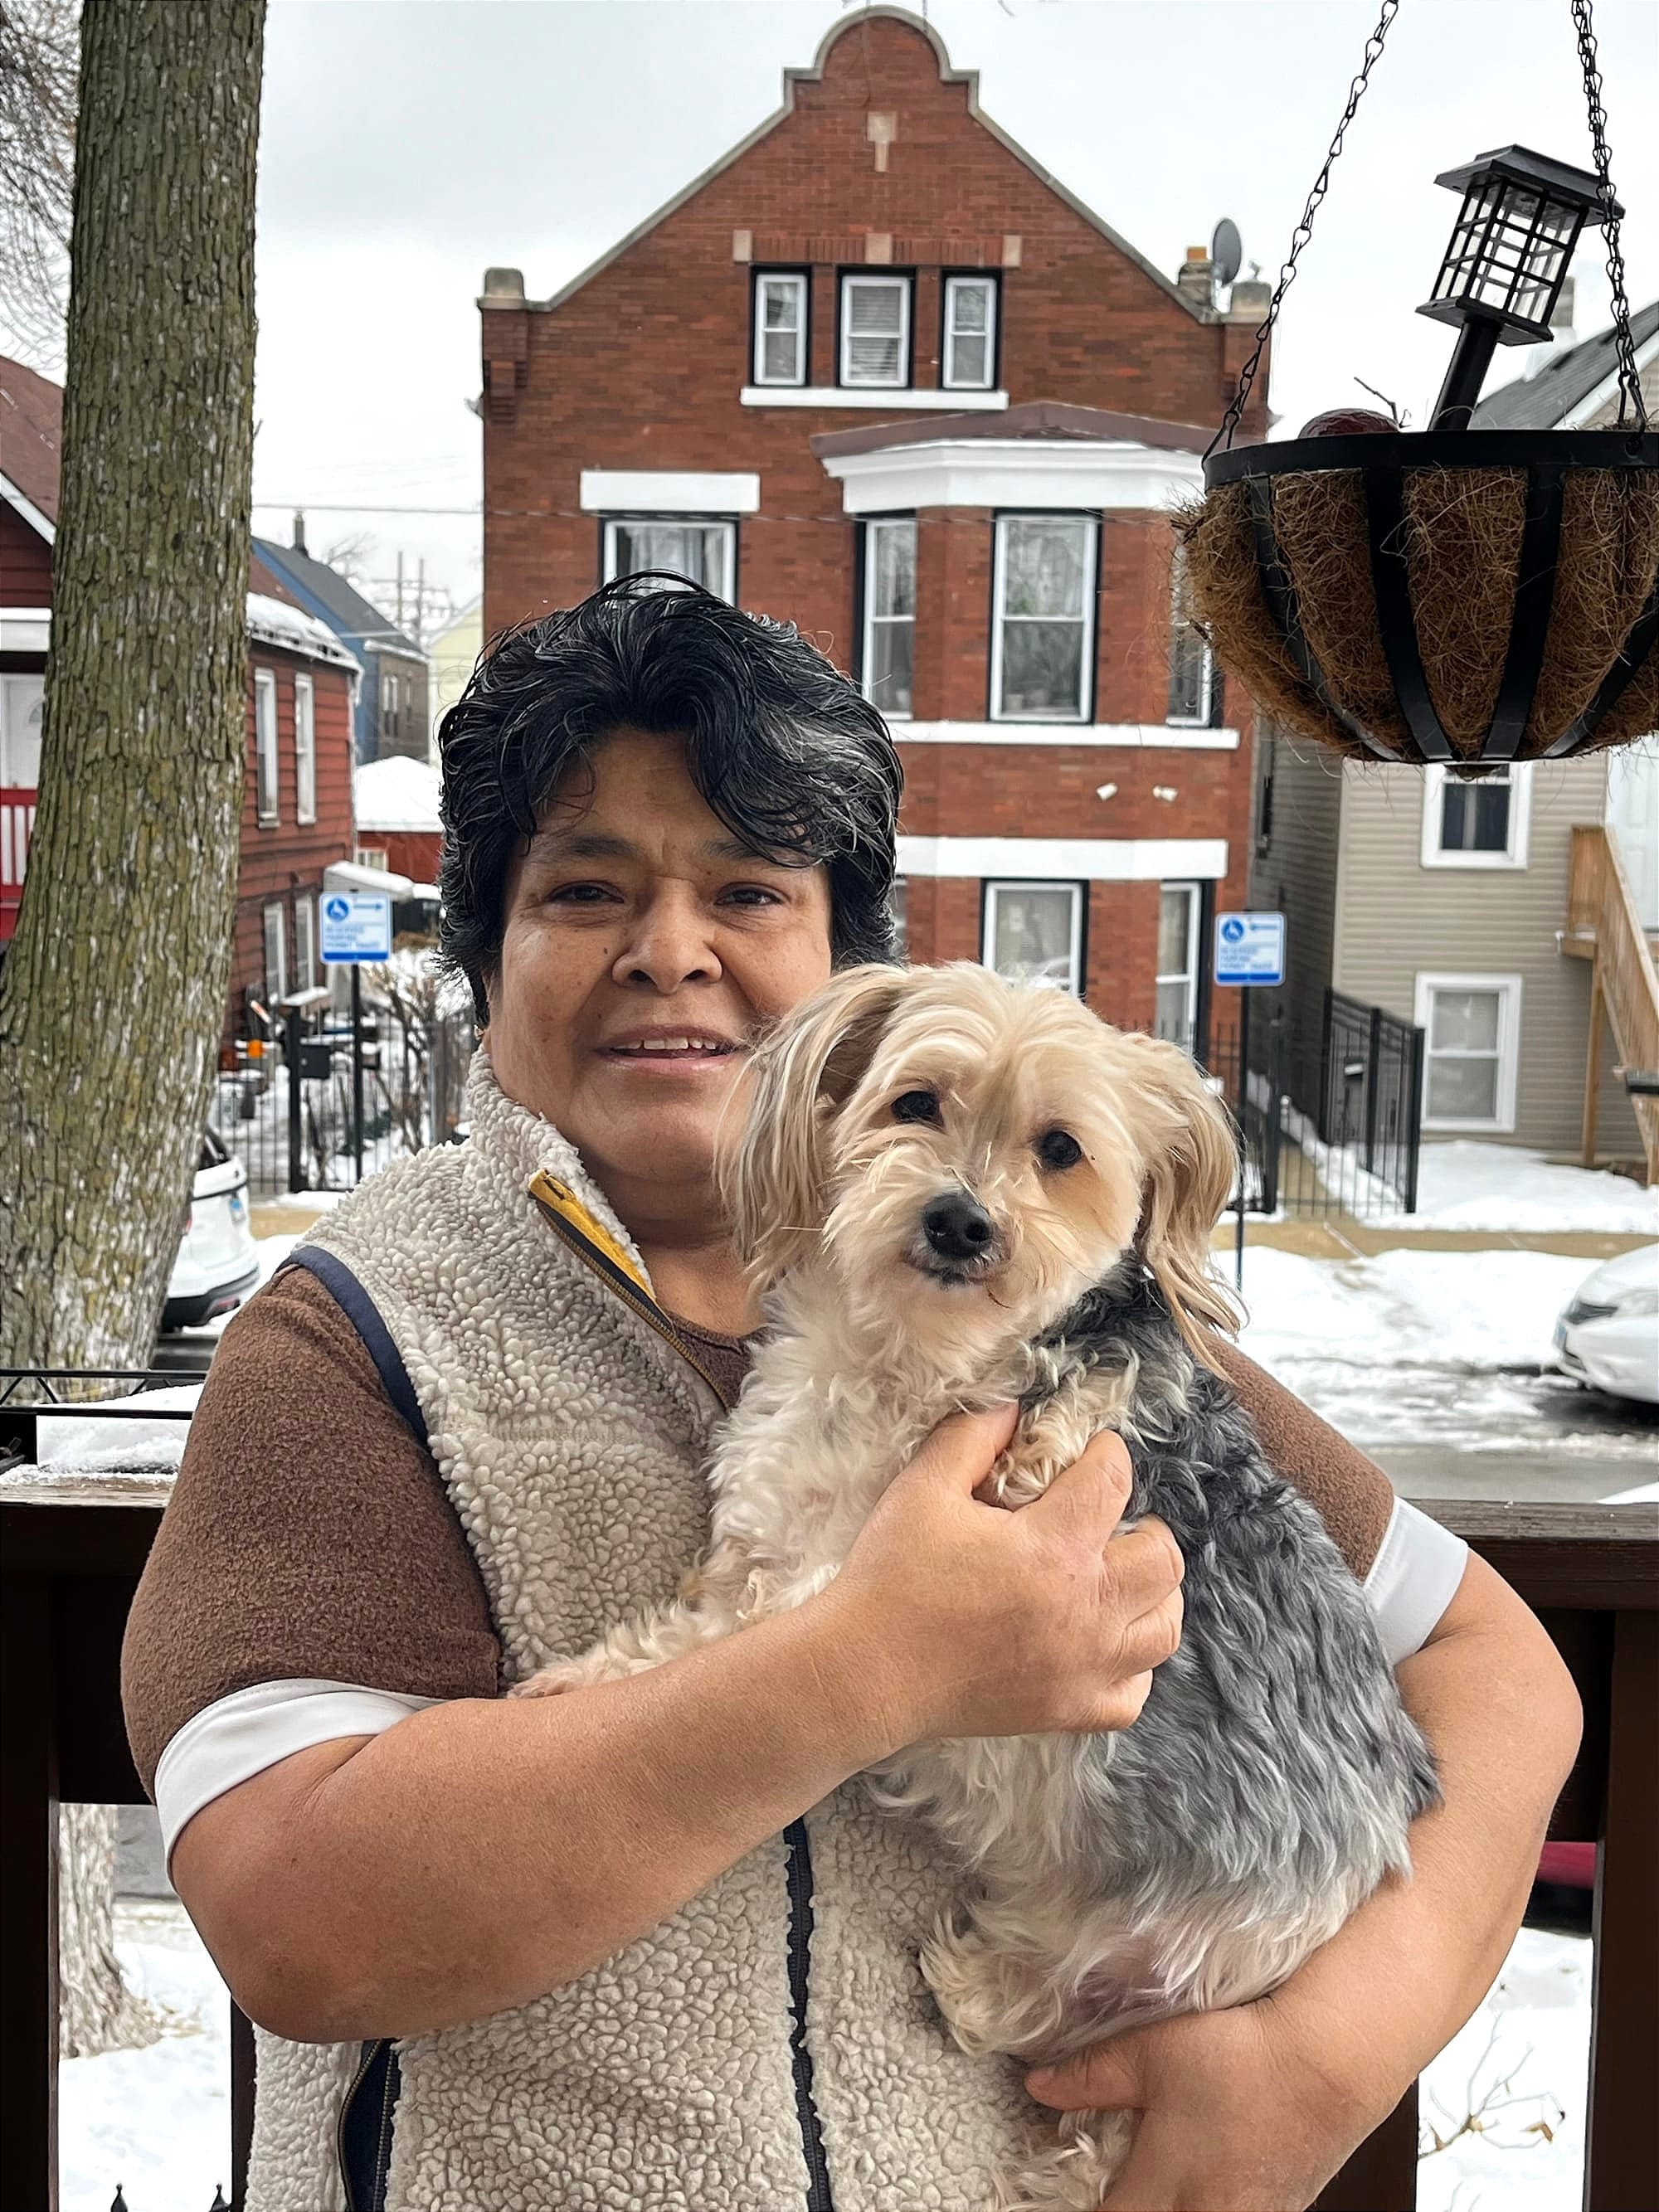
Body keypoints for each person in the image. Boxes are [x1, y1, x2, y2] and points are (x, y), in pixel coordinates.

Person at [122, 577, 1579, 2212]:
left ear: (842, 970)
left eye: (745, 888)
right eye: (585, 887)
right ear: (485, 947)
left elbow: (1499, 1669)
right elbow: (298, 1916)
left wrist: (1324, 2051)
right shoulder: (359, 1336)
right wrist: (872, 1656)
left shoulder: (1081, 1330)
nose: (668, 948)